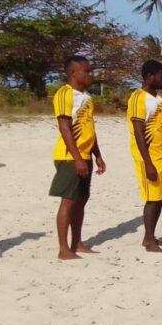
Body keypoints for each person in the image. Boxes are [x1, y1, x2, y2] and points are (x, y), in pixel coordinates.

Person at [49, 55, 106, 260]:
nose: (91, 74)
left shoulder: (87, 97)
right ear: (73, 73)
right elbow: (65, 127)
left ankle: (77, 242)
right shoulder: (65, 94)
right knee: (69, 201)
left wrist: (97, 154)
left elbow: (89, 127)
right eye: (87, 71)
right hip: (69, 157)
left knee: (81, 200)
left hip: (85, 155)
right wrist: (77, 159)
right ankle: (64, 249)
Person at [127, 60, 162, 253]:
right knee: (152, 198)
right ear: (149, 77)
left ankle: (150, 236)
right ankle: (149, 240)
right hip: (149, 158)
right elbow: (139, 132)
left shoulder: (158, 100)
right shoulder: (138, 98)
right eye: (161, 76)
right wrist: (148, 162)